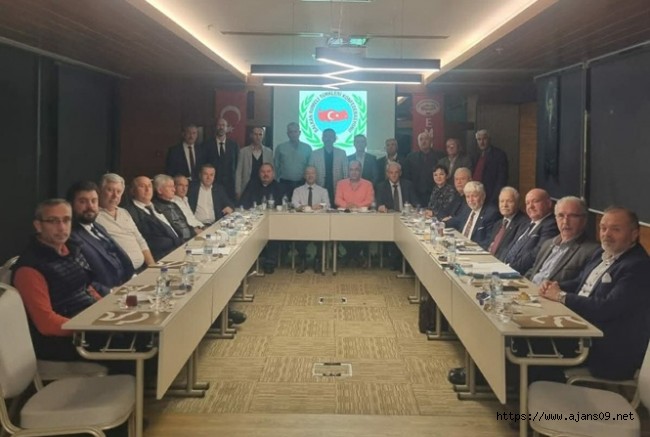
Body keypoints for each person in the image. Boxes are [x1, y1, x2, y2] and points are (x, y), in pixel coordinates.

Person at [539, 207, 650, 380]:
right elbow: (580, 283)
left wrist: (561, 296)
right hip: (579, 328)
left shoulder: (638, 266)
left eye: (615, 229)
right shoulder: (601, 252)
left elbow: (607, 308)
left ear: (634, 234)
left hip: (605, 348)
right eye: (603, 228)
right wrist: (554, 286)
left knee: (535, 346)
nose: (606, 234)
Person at [12, 199, 104, 361]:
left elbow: (86, 288)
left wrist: (107, 311)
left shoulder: (71, 248)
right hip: (67, 341)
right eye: (53, 221)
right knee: (144, 346)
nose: (61, 227)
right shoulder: (29, 268)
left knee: (145, 334)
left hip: (89, 325)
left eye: (66, 220)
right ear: (38, 226)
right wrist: (93, 327)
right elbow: (46, 323)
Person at [66, 181, 134, 291]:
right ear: (71, 205)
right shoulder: (70, 236)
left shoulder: (99, 227)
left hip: (127, 285)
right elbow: (81, 278)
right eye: (83, 202)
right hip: (106, 294)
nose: (90, 206)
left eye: (94, 201)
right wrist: (110, 292)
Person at [526, 196, 599, 284]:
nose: (565, 222)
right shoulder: (548, 243)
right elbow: (533, 271)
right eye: (561, 216)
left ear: (584, 219)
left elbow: (579, 284)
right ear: (555, 218)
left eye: (572, 216)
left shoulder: (592, 251)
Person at [96, 173, 155, 271]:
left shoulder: (124, 212)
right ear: (100, 191)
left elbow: (140, 241)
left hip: (142, 269)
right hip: (121, 274)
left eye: (118, 191)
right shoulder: (94, 216)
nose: (115, 195)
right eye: (110, 190)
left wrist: (153, 268)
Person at [239, 163, 285, 273]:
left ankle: (270, 262)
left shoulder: (279, 187)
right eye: (263, 172)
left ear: (273, 174)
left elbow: (283, 206)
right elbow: (243, 203)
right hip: (254, 221)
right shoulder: (252, 185)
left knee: (275, 233)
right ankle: (250, 263)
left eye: (268, 172)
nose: (266, 174)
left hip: (274, 223)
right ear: (259, 174)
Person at [124, 176, 183, 260]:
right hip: (162, 256)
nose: (147, 189)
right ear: (133, 191)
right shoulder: (129, 212)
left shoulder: (157, 206)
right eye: (142, 186)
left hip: (180, 248)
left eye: (149, 186)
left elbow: (173, 228)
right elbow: (147, 241)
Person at [502, 188, 559, 274]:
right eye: (527, 203)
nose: (530, 206)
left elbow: (537, 253)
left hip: (519, 273)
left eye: (535, 201)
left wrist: (510, 268)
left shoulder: (551, 225)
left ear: (548, 203)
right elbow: (511, 245)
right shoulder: (526, 223)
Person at [291, 166, 330, 273]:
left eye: (312, 173)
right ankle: (303, 260)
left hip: (319, 224)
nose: (310, 175)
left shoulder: (323, 191)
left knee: (324, 234)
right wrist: (306, 207)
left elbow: (327, 205)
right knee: (297, 234)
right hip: (302, 224)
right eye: (308, 173)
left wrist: (320, 206)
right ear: (304, 175)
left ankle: (318, 260)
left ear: (316, 175)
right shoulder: (297, 190)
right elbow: (294, 203)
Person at [447, 181, 499, 249]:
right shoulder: (467, 208)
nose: (470, 200)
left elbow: (488, 241)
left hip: (474, 250)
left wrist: (468, 247)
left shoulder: (491, 213)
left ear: (483, 196)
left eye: (474, 196)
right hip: (460, 246)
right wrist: (440, 224)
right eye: (468, 197)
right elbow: (456, 221)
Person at [403, 131, 445, 207]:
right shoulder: (410, 157)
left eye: (426, 139)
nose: (423, 141)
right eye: (421, 139)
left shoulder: (440, 156)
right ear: (418, 142)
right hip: (416, 194)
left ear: (431, 141)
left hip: (436, 193)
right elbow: (407, 176)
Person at [308, 128, 348, 206]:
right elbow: (310, 173)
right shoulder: (314, 154)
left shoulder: (342, 153)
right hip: (320, 187)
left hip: (337, 188)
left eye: (331, 136)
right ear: (322, 138)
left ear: (335, 139)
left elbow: (346, 172)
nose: (328, 139)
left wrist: (345, 188)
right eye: (326, 136)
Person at [487, 186, 528, 260]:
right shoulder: (498, 223)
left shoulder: (523, 224)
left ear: (518, 203)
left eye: (509, 201)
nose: (504, 205)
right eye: (502, 201)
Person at [152, 174, 196, 242]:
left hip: (191, 239)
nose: (174, 190)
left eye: (173, 187)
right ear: (159, 190)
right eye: (170, 187)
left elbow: (185, 224)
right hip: (179, 243)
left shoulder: (174, 204)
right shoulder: (155, 208)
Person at [204, 118, 239, 200]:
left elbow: (237, 165)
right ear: (215, 127)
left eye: (223, 125)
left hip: (230, 186)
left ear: (227, 128)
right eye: (219, 125)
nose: (221, 127)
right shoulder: (207, 145)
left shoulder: (234, 145)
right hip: (213, 184)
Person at [471, 129, 508, 205]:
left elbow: (502, 179)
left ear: (489, 139)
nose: (482, 142)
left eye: (484, 139)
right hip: (476, 196)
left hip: (491, 196)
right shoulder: (475, 155)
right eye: (479, 139)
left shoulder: (499, 155)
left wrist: (494, 198)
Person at [235, 127, 273, 199]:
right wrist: (237, 190)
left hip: (263, 186)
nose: (258, 137)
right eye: (255, 134)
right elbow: (238, 172)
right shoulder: (243, 152)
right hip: (247, 187)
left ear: (263, 136)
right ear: (251, 135)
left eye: (260, 134)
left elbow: (272, 172)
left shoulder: (269, 152)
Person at [274, 122, 312, 194]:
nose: (293, 134)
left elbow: (309, 166)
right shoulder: (280, 148)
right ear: (287, 134)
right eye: (291, 132)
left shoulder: (307, 148)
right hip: (284, 184)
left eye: (295, 131)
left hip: (302, 183)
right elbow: (276, 166)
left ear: (299, 133)